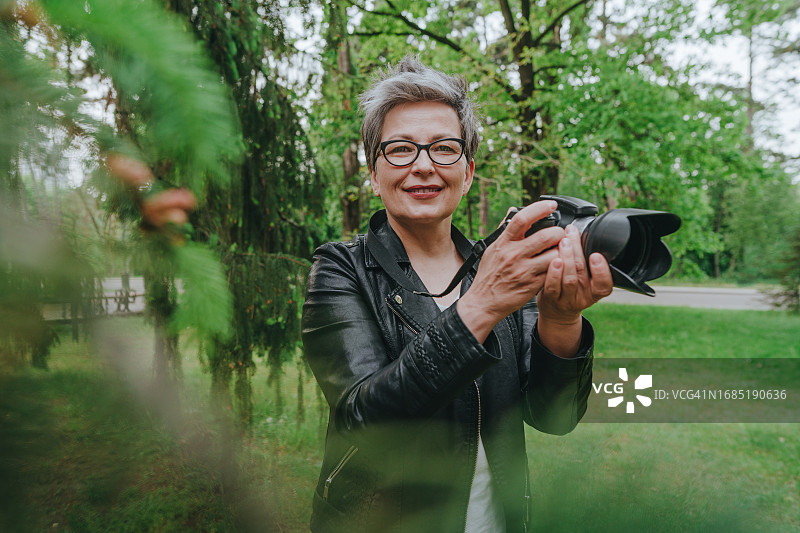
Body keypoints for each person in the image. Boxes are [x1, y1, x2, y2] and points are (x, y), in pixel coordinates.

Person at [302, 56, 613, 533]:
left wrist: (561, 320)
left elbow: (554, 417)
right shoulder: (341, 268)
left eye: (444, 149)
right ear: (373, 172)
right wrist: (482, 305)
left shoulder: (499, 265)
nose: (424, 166)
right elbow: (367, 420)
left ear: (467, 173)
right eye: (401, 149)